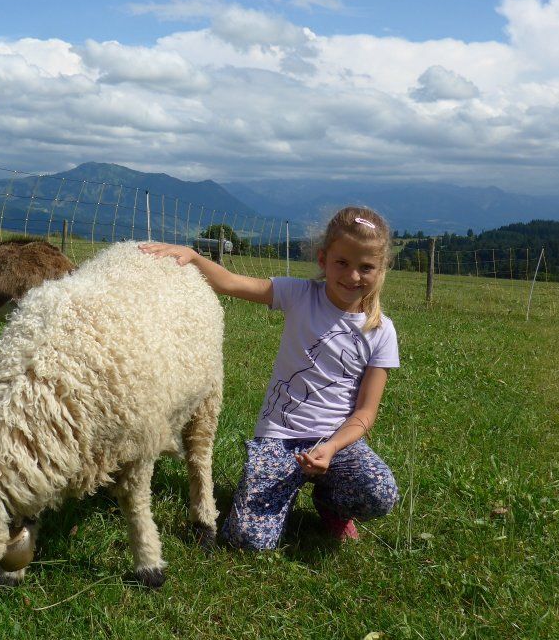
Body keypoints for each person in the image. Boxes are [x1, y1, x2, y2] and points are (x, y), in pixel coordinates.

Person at [140, 206, 399, 548]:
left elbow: (366, 413)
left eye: (366, 267)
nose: (353, 276)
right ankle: (280, 495)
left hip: (337, 443)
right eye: (342, 263)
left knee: (380, 491)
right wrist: (193, 257)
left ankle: (331, 505)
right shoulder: (299, 295)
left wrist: (332, 448)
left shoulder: (381, 332)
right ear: (323, 259)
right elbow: (231, 283)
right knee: (247, 541)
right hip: (280, 439)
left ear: (381, 270)